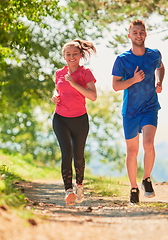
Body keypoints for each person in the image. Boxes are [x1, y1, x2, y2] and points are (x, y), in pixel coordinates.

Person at [111, 20, 165, 204]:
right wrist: (133, 80)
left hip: (150, 107)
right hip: (131, 111)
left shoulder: (154, 54)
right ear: (129, 36)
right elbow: (116, 86)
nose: (138, 35)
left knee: (148, 144)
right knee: (132, 151)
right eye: (135, 32)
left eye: (141, 32)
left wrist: (160, 82)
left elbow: (161, 67)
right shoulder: (122, 59)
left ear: (145, 34)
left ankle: (146, 179)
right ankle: (133, 187)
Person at [51, 39, 97, 206]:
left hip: (80, 120)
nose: (71, 57)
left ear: (80, 55)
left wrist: (73, 83)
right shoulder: (59, 73)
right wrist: (54, 97)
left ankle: (79, 185)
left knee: (78, 156)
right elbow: (58, 89)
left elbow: (93, 96)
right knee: (67, 152)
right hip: (60, 118)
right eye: (68, 54)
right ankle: (68, 190)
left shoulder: (86, 73)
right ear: (64, 56)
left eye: (74, 54)